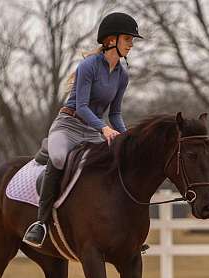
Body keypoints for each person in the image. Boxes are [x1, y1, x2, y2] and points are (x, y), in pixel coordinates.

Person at [23, 12, 143, 247]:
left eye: (132, 40)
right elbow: (82, 106)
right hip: (69, 125)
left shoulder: (122, 75)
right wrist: (105, 129)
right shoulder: (89, 66)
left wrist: (128, 138)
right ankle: (41, 223)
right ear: (111, 41)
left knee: (119, 161)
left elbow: (115, 113)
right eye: (128, 39)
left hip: (93, 130)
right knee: (58, 158)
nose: (131, 44)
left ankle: (123, 228)